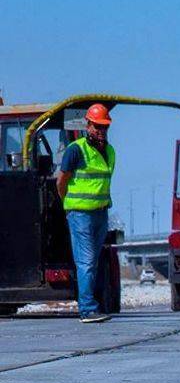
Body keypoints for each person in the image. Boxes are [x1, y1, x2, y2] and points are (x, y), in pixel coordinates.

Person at [57, 103, 115, 323]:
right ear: (87, 125)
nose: (101, 131)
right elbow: (61, 182)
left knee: (94, 261)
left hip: (100, 213)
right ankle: (88, 309)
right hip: (80, 214)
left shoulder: (109, 152)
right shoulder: (76, 150)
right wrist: (69, 204)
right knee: (86, 261)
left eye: (104, 127)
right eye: (97, 126)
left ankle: (92, 304)